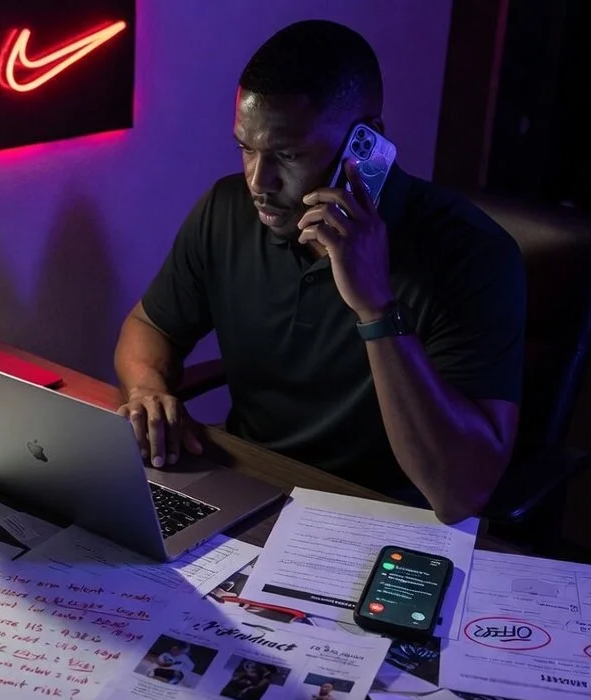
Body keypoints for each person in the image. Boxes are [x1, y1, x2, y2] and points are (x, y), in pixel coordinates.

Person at [113, 20, 525, 522]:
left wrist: (375, 307)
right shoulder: (225, 209)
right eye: (246, 148)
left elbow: (460, 494)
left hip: (382, 516)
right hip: (250, 488)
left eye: (287, 154)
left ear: (365, 144)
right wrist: (147, 389)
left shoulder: (473, 256)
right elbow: (149, 326)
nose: (258, 182)